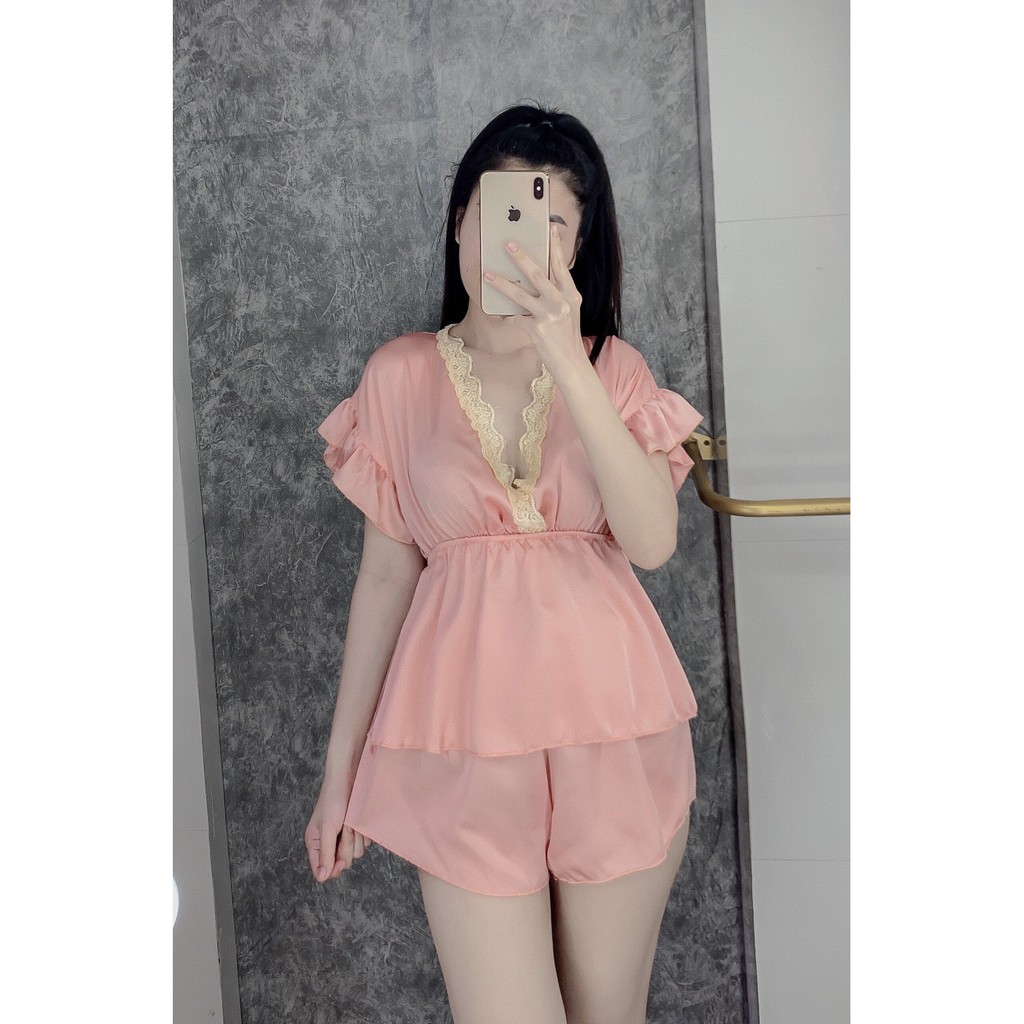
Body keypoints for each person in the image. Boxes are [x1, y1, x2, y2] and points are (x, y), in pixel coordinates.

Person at [304, 103, 705, 1024]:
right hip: (462, 747)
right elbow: (385, 579)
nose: (521, 236)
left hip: (616, 734)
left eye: (550, 219)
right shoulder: (398, 376)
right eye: (501, 209)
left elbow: (652, 542)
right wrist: (339, 775)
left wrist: (569, 360)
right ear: (461, 222)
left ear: (577, 245)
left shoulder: (613, 368)